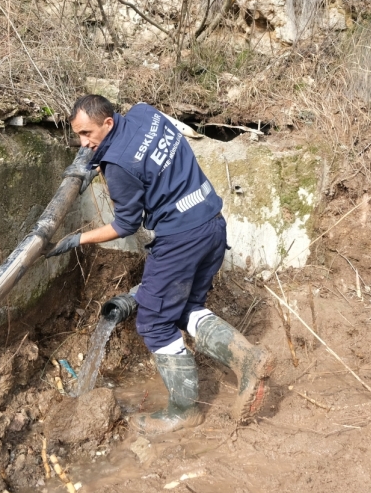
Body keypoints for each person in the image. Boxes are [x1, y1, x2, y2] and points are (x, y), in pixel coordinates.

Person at [47, 95, 274, 434]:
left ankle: (184, 411)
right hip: (211, 222)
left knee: (153, 321)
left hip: (179, 239)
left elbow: (123, 226)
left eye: (87, 133)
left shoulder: (119, 168)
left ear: (107, 123)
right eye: (79, 136)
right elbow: (139, 156)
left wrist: (74, 240)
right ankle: (248, 359)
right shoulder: (144, 113)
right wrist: (98, 158)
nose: (84, 142)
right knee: (184, 306)